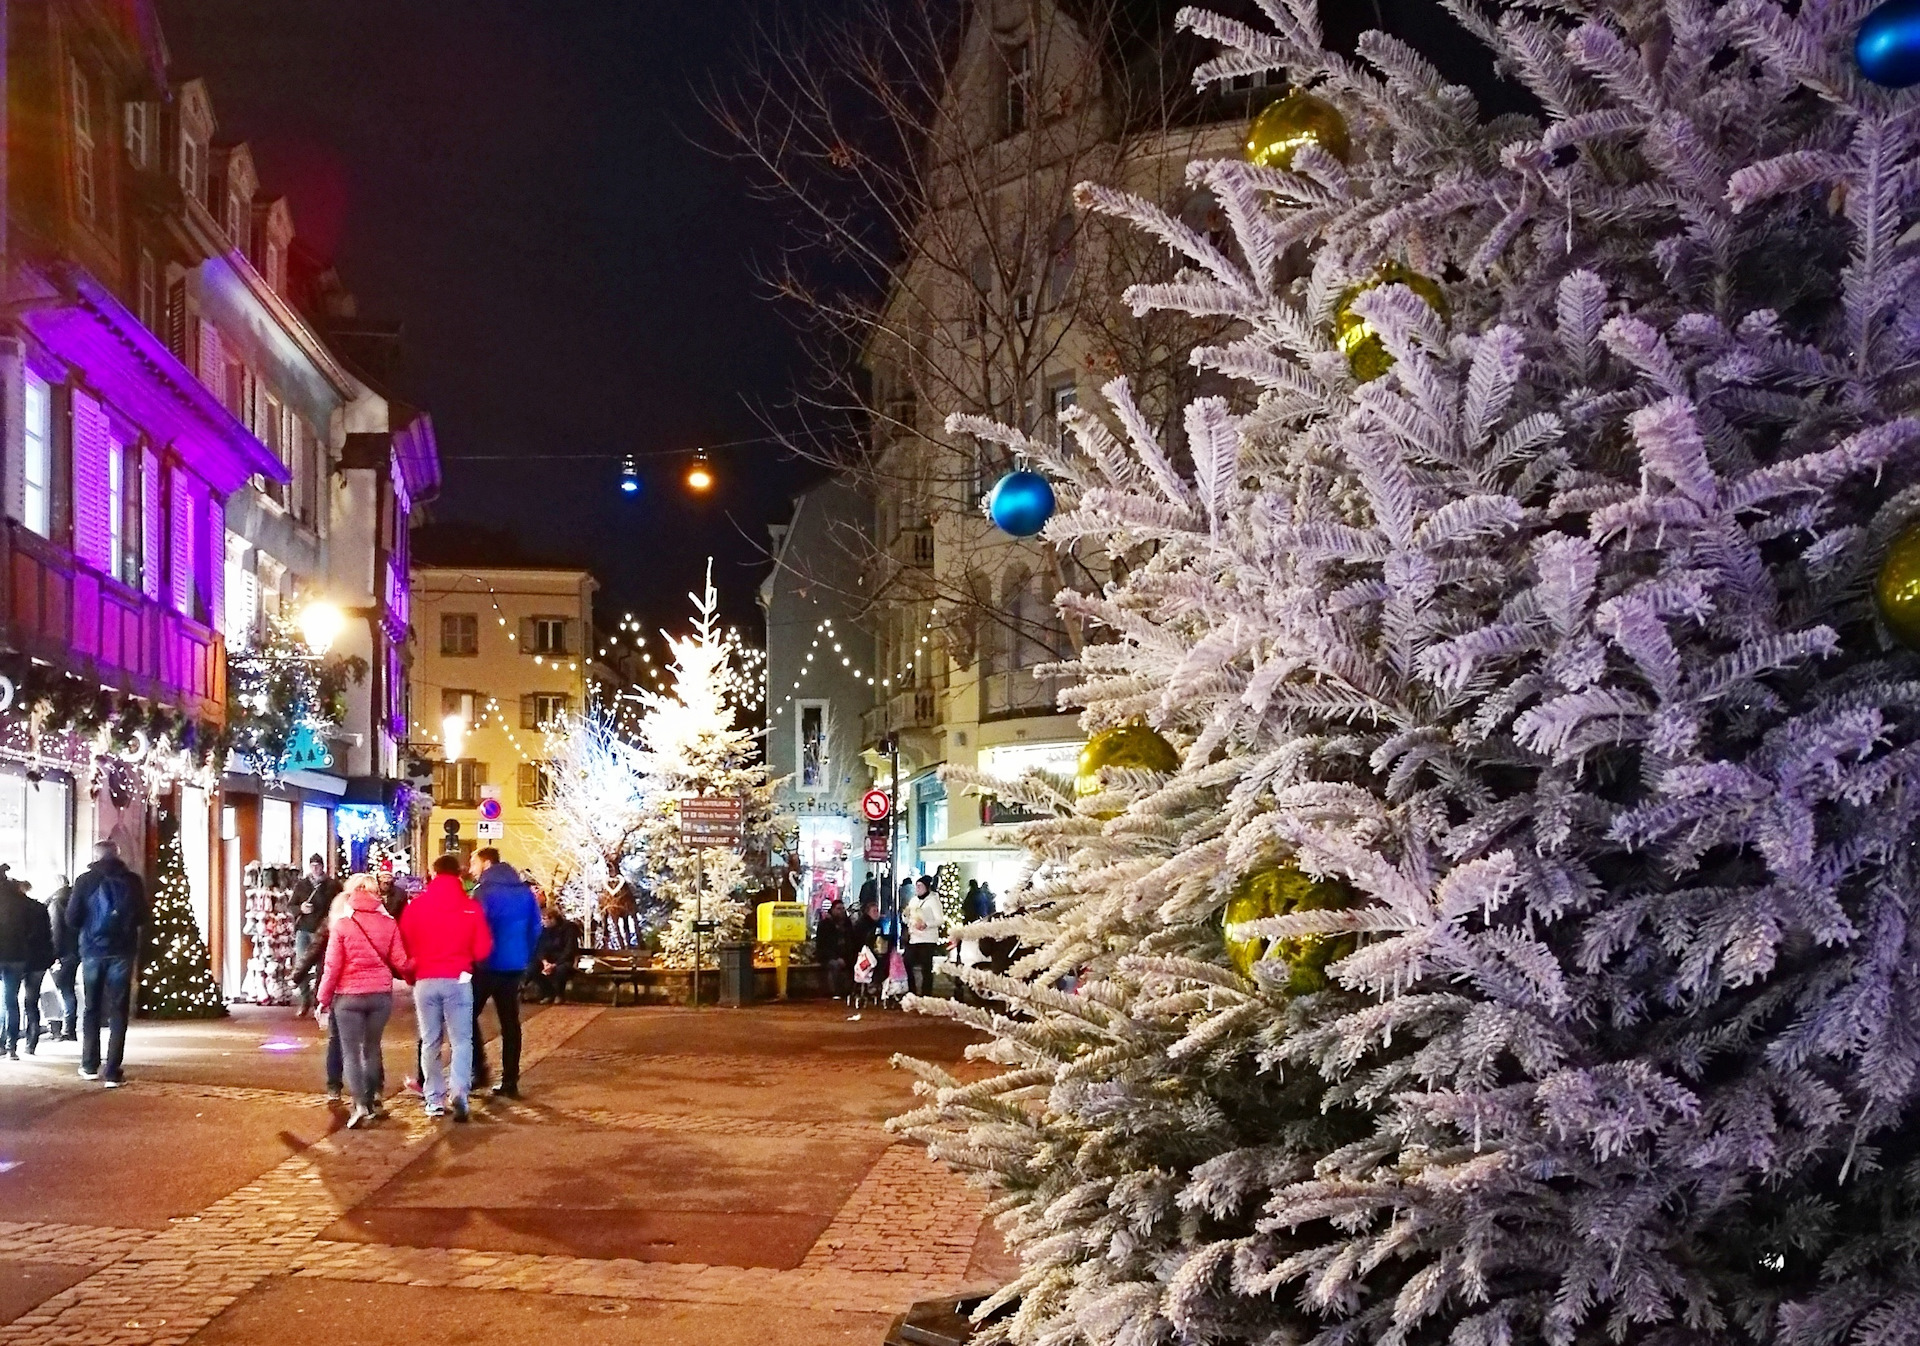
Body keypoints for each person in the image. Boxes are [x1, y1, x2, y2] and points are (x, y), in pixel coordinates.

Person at [398, 854, 492, 1121]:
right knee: (462, 1040)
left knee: (430, 1041)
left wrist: (413, 970)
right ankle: (459, 1091)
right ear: (459, 874)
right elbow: (483, 948)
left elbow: (404, 943)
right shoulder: (470, 907)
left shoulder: (416, 906)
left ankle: (433, 1099)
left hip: (426, 980)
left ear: (433, 872)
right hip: (458, 978)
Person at [317, 874, 411, 1128]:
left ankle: (359, 1105)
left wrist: (323, 999)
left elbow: (332, 966)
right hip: (380, 995)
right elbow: (401, 962)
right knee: (372, 1048)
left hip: (348, 997)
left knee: (351, 1052)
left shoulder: (343, 924)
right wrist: (416, 974)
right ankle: (372, 1100)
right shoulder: (388, 922)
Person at [67, 840, 147, 1086]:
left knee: (91, 1008)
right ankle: (112, 1070)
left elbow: (72, 917)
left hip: (92, 951)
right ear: (117, 854)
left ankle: (89, 1064)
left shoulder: (84, 881)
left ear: (96, 856)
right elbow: (143, 915)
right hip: (122, 952)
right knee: (118, 1010)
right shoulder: (132, 880)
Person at [468, 848, 541, 1099]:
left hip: (486, 965)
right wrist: (524, 955)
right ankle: (511, 1079)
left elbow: (476, 929)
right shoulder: (524, 892)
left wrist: (475, 957)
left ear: (487, 863)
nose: (471, 869)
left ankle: (479, 1069)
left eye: (474, 863)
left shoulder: (483, 892)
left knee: (467, 1016)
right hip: (514, 965)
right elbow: (535, 928)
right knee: (510, 1023)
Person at [0, 873, 47, 1057]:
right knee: (11, 1001)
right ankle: (12, 1046)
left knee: (5, 1001)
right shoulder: (23, 904)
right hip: (18, 956)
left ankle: (2, 1044)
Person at [289, 855, 339, 1016]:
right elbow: (291, 905)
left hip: (323, 931)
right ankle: (305, 1000)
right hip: (304, 929)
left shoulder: (332, 885)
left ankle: (319, 1000)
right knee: (301, 964)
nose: (315, 868)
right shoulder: (302, 885)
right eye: (312, 865)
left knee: (322, 967)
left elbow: (339, 905)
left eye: (318, 865)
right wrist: (300, 909)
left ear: (323, 866)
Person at [44, 877, 75, 1041]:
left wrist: (53, 954)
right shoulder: (74, 898)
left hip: (63, 952)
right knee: (68, 989)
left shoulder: (56, 903)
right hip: (76, 950)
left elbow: (56, 930)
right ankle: (69, 1027)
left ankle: (67, 1029)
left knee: (64, 990)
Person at [529, 904, 581, 1004]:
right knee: (532, 968)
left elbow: (570, 949)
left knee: (561, 970)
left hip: (563, 959)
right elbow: (540, 947)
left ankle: (559, 994)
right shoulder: (544, 930)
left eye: (545, 919)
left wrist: (554, 965)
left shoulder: (568, 928)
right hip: (548, 960)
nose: (543, 922)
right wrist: (545, 962)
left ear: (553, 919)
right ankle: (548, 993)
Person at [904, 875, 945, 998]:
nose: (917, 888)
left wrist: (926, 924)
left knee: (926, 968)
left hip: (927, 939)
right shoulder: (913, 900)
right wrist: (906, 917)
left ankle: (926, 994)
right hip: (914, 938)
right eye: (916, 886)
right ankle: (912, 991)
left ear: (927, 887)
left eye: (920, 886)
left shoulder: (933, 900)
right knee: (907, 962)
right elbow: (908, 917)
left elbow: (940, 920)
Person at [815, 897, 854, 1000]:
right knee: (834, 965)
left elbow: (850, 943)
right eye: (838, 909)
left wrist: (846, 957)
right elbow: (822, 945)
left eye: (842, 909)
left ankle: (852, 991)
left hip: (844, 955)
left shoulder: (847, 924)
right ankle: (836, 992)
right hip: (828, 956)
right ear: (832, 910)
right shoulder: (825, 925)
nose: (841, 911)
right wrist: (836, 957)